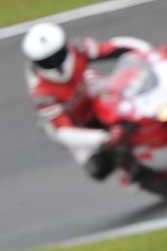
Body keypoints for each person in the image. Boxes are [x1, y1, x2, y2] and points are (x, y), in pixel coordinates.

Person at [22, 22, 151, 181]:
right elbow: (64, 131)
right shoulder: (40, 92)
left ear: (65, 46)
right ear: (36, 62)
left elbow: (114, 47)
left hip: (93, 96)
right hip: (75, 125)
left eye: (58, 55)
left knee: (125, 93)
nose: (55, 63)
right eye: (47, 61)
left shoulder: (78, 49)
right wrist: (104, 137)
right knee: (98, 168)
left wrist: (148, 51)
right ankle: (133, 172)